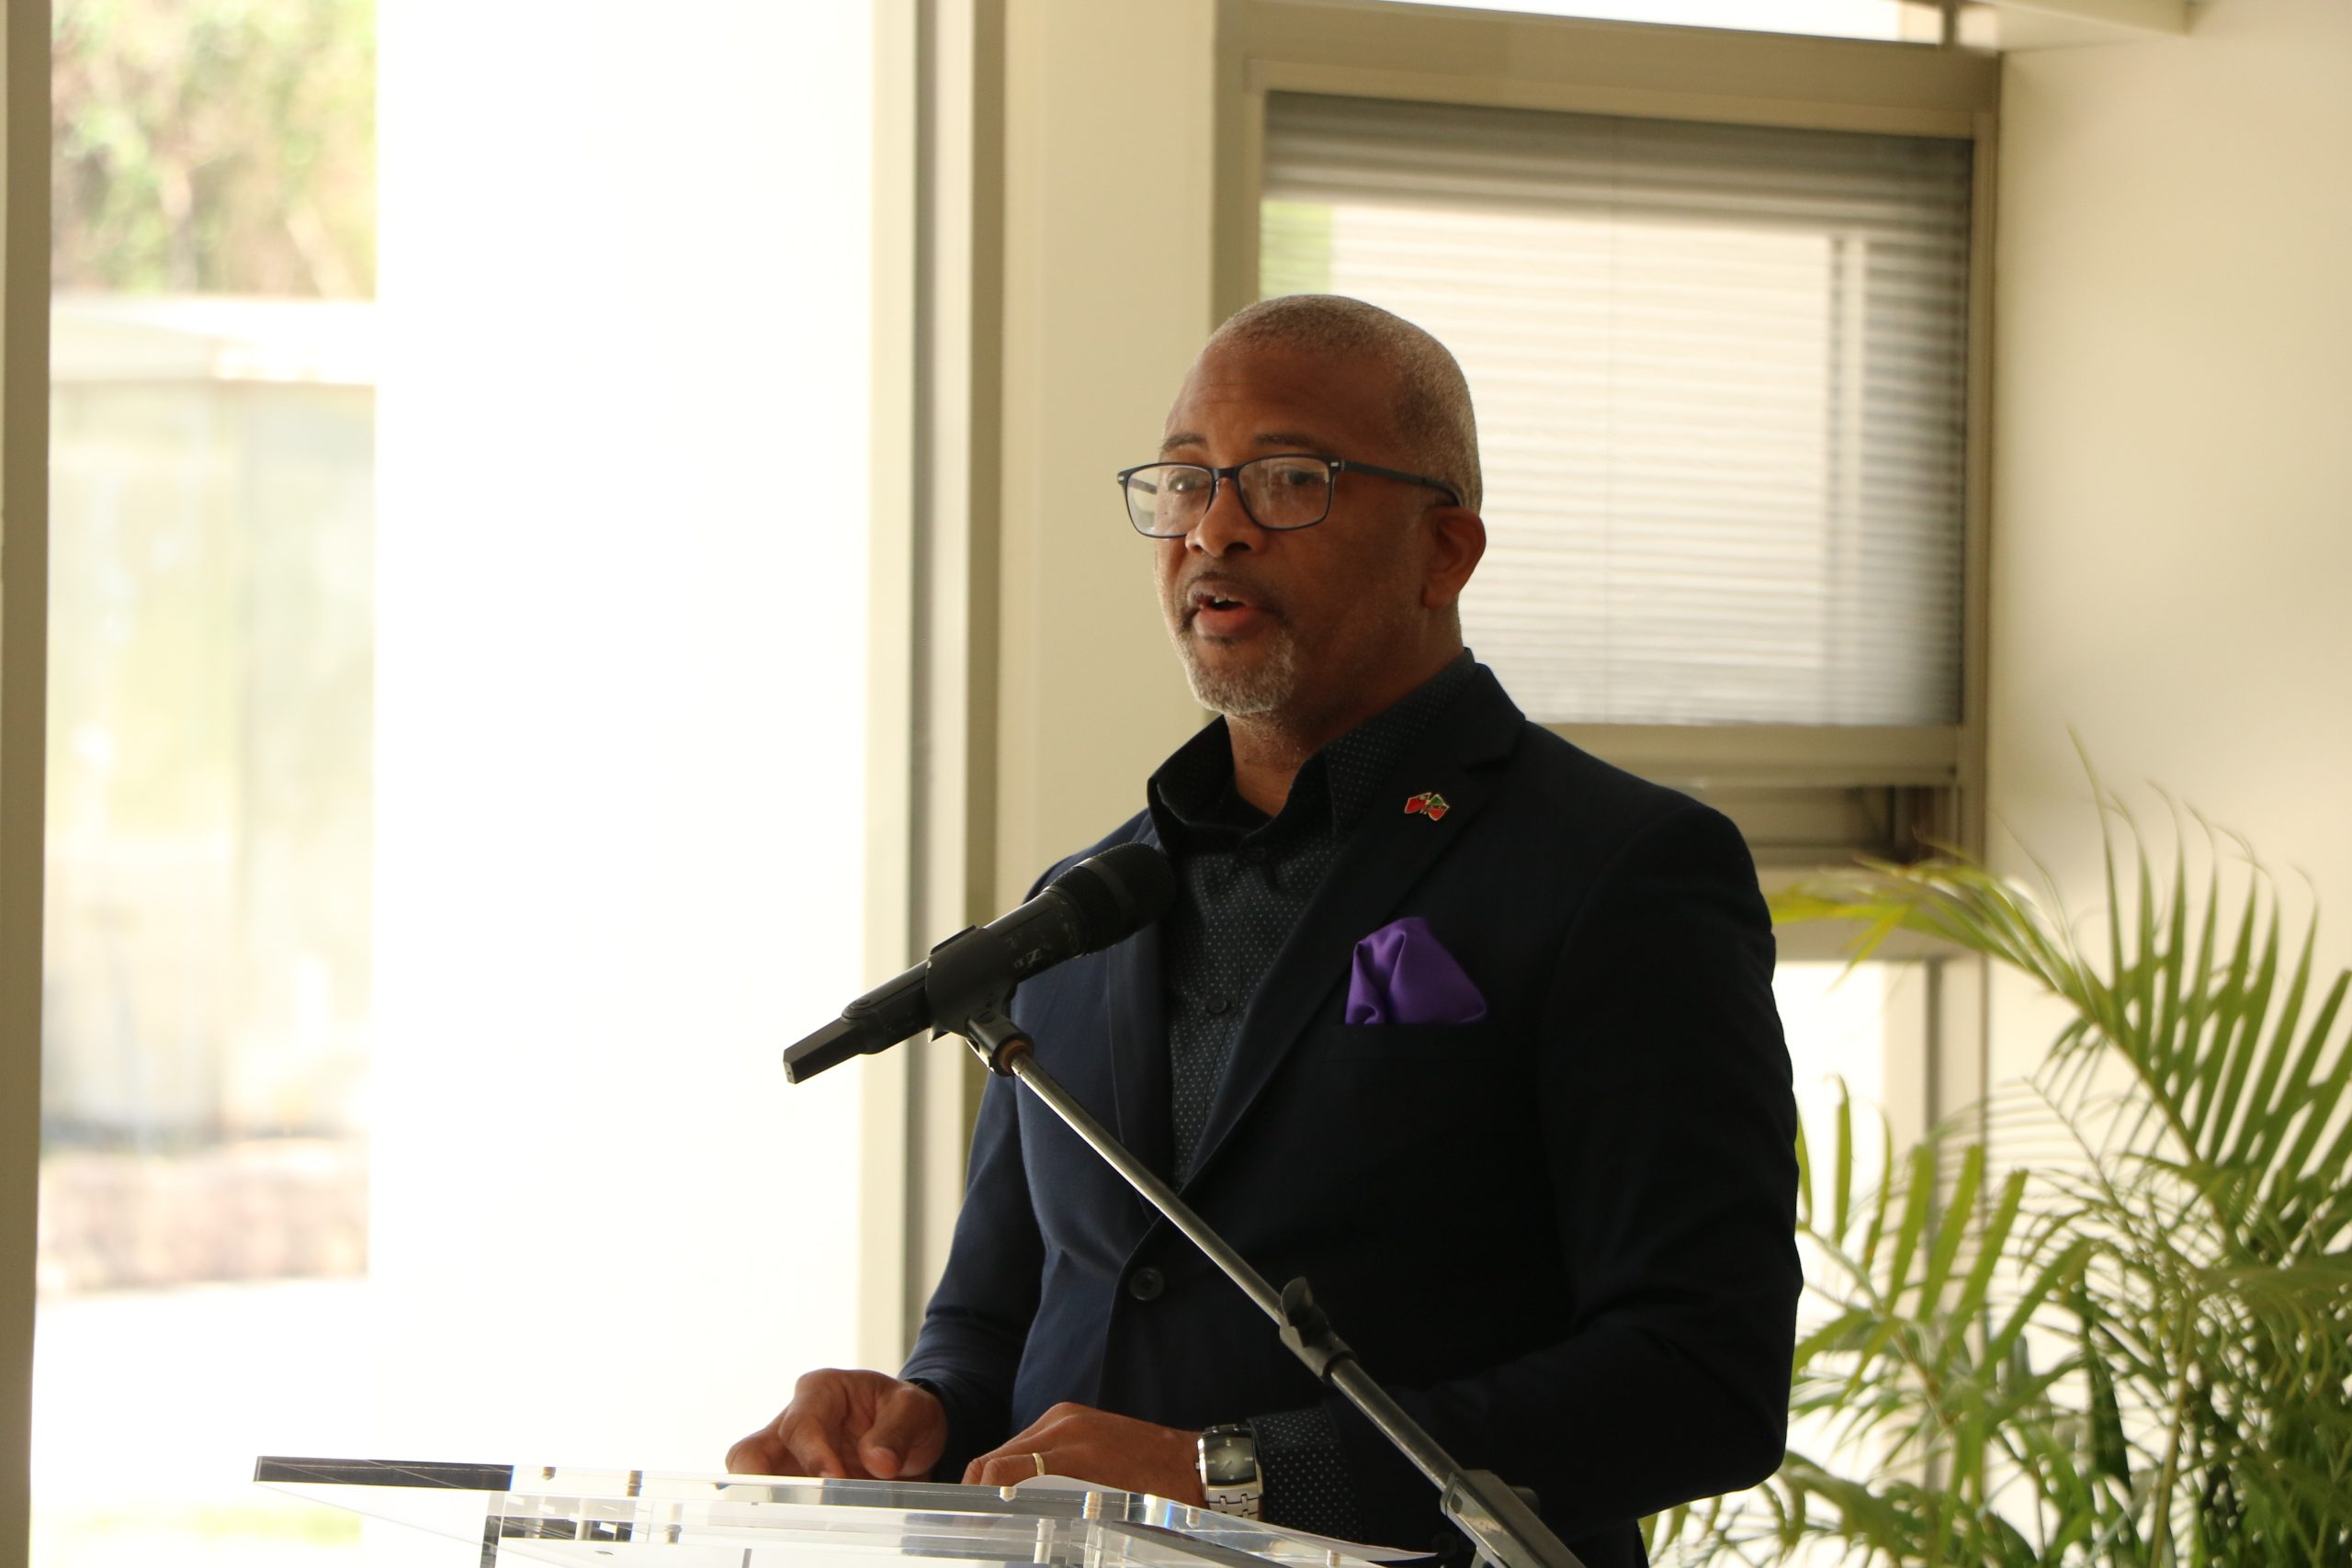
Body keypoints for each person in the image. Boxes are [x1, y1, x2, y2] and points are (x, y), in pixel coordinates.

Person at [729, 296, 1801, 1568]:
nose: (1214, 526)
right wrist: (917, 1412)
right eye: (1185, 480)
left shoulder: (1617, 870)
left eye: (1289, 479)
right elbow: (997, 1319)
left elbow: (1699, 1378)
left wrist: (1229, 1478)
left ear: (1443, 550)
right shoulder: (1076, 906)